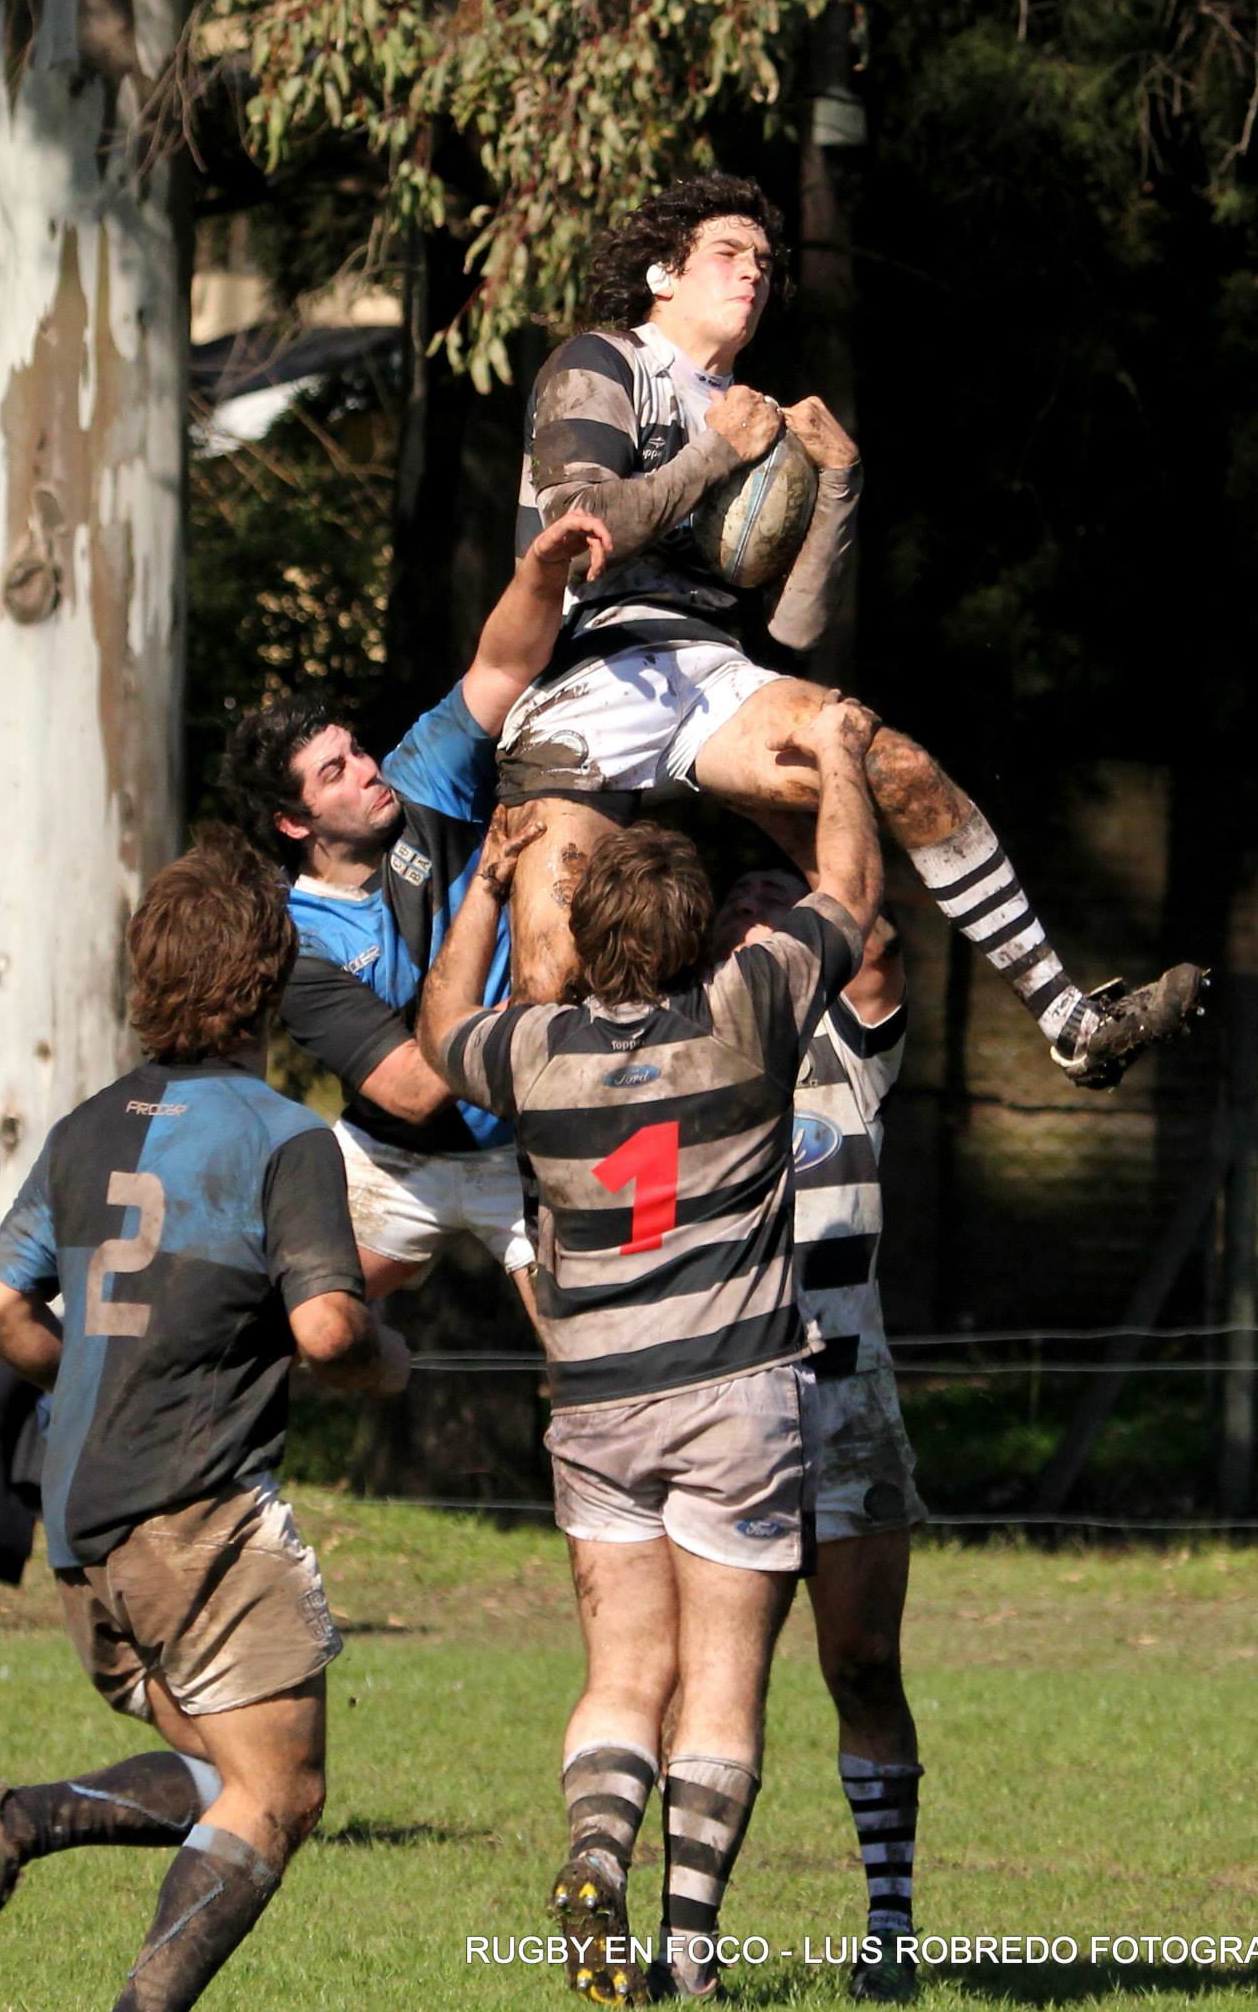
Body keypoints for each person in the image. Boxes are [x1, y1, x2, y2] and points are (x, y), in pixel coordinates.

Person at [498, 171, 1203, 1088]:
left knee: (891, 762)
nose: (752, 272)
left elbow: (793, 628)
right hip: (586, 674)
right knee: (549, 987)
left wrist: (838, 484)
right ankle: (534, 1181)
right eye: (726, 252)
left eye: (763, 260)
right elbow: (578, 529)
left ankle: (1071, 1019)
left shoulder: (757, 418)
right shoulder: (600, 362)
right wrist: (715, 452)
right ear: (662, 273)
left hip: (708, 671)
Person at [420, 695, 884, 2005]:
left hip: (596, 1404)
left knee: (623, 1670)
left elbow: (437, 1032)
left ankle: (592, 1849)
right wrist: (839, 757)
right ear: (703, 936)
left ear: (582, 933)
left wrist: (487, 888)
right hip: (735, 1397)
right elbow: (849, 894)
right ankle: (686, 1952)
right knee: (722, 1682)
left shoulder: (533, 1052)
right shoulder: (746, 1009)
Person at [0, 826, 408, 2009]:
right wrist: (386, 1356)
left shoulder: (87, 1124)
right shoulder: (285, 1135)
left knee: (223, 1761)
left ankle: (10, 1817)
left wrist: (98, 1377)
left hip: (81, 1517)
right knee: (279, 1791)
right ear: (270, 975)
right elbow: (328, 1329)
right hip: (195, 1511)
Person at [224, 509, 610, 1322]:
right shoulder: (295, 943)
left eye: (356, 750)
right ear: (293, 823)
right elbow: (408, 1092)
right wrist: (535, 1001)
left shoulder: (420, 778)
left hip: (519, 1139)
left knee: (584, 1344)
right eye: (334, 772)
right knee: (302, 1334)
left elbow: (503, 663)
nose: (367, 771)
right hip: (394, 1161)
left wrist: (541, 567)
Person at [714, 870, 923, 2004]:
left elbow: (875, 941)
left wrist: (784, 795)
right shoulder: (686, 1059)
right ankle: (688, 1929)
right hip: (719, 1410)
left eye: (794, 923)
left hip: (847, 1404)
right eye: (751, 925)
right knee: (713, 1686)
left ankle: (889, 1925)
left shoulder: (848, 1055)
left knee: (862, 1664)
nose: (776, 927)